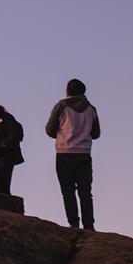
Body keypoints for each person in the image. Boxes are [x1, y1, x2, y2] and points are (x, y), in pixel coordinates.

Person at [45, 78, 100, 231]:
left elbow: (50, 130)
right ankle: (89, 225)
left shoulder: (60, 107)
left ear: (68, 92)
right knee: (85, 191)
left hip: (64, 153)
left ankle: (73, 224)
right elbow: (96, 133)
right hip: (84, 153)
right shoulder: (91, 109)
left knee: (68, 191)